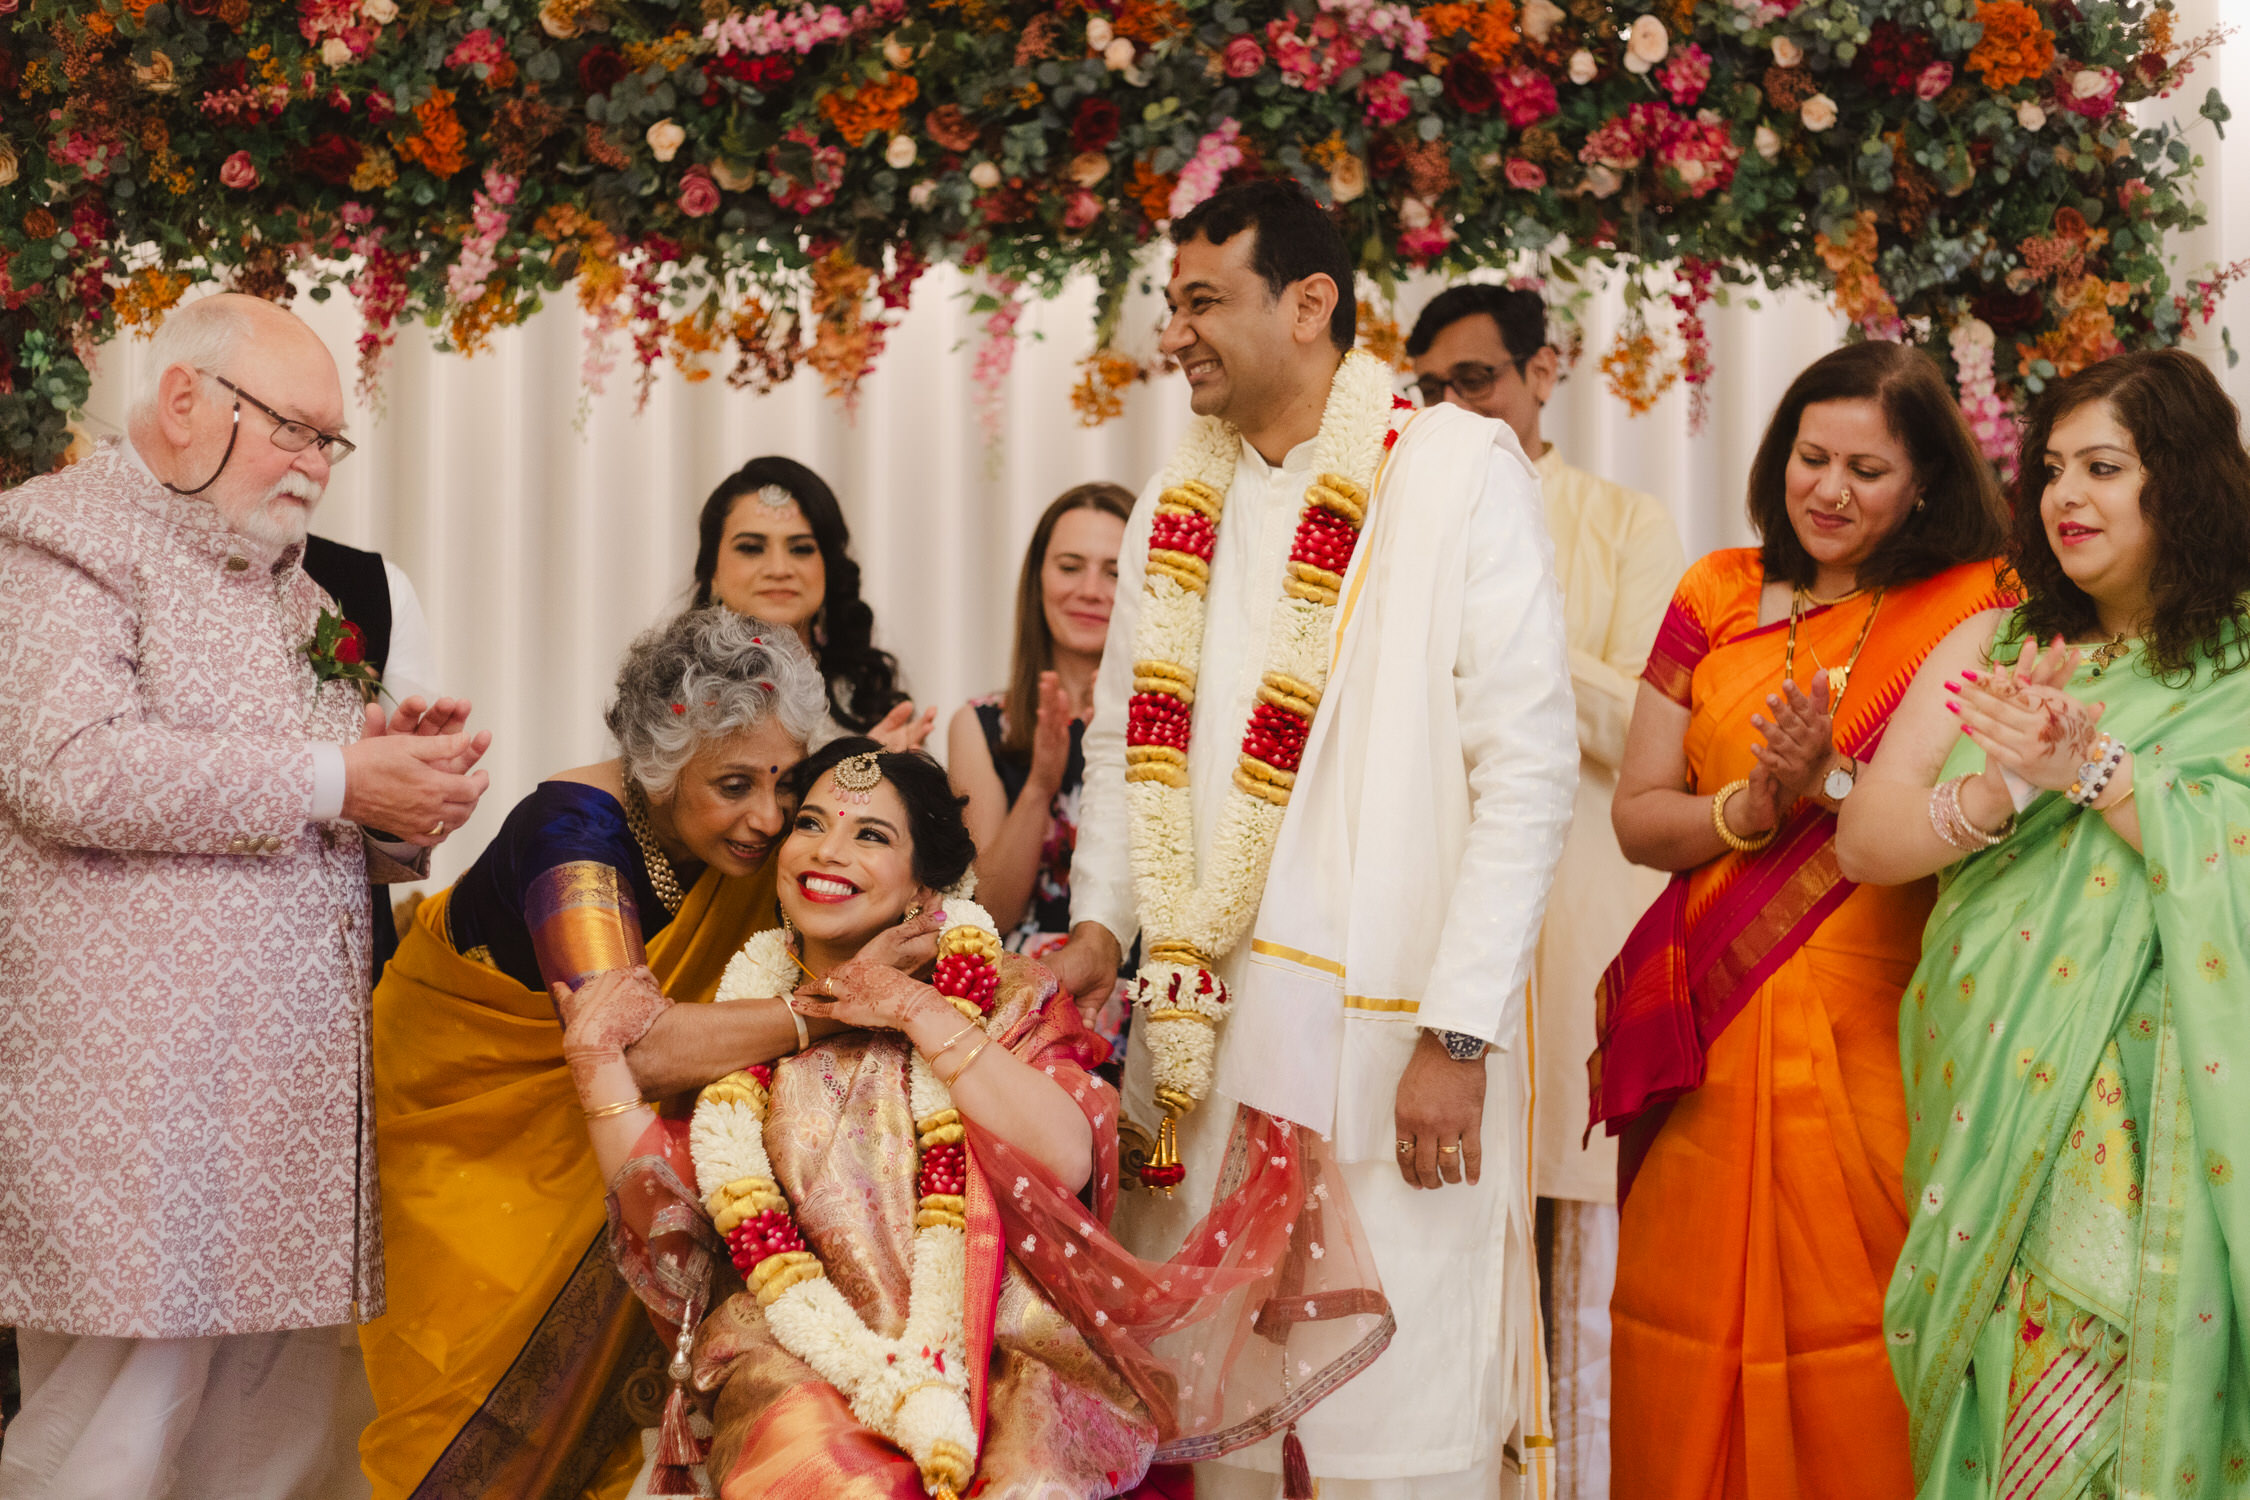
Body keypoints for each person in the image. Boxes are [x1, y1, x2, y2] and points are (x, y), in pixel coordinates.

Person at [1047, 178, 1580, 1497]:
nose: (1176, 333)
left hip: (1392, 1052)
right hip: (1204, 1049)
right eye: (1173, 305)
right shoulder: (1182, 495)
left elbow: (1527, 764)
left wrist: (1456, 1033)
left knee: (1393, 1445)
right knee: (1218, 1441)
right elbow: (1120, 739)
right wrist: (1104, 923)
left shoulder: (1452, 469)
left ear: (1309, 303)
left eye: (1203, 302)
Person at [563, 739, 1389, 1498]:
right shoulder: (746, 1018)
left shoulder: (1001, 997)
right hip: (798, 1358)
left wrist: (916, 1012)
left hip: (1002, 1352)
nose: (827, 850)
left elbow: (1067, 1155)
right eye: (810, 824)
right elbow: (673, 1207)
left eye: (870, 836)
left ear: (926, 887)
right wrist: (600, 1069)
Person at [0, 292, 492, 1500]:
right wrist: (340, 774)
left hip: (287, 1110)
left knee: (274, 1450)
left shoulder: (299, 595)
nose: (317, 466)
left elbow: (311, 819)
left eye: (332, 442)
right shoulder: (55, 540)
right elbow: (67, 770)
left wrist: (397, 795)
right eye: (296, 429)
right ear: (185, 401)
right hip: (145, 1112)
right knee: (113, 1440)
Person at [355, 610, 929, 1499]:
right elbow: (641, 1050)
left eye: (785, 785)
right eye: (733, 785)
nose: (767, 818)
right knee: (481, 1399)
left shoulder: (756, 833)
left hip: (601, 1140)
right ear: (658, 769)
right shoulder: (571, 839)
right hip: (468, 1135)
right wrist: (832, 1007)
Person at [1596, 341, 2013, 1500]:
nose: (1828, 490)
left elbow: (1977, 818)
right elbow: (1637, 816)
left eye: (1866, 470)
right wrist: (1751, 804)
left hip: (1879, 1029)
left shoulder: (1978, 607)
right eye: (1809, 458)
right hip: (1709, 1043)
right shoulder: (1716, 591)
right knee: (1678, 1337)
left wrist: (1834, 782)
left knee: (1864, 1345)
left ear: (1925, 480)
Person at [1834, 349, 2250, 1495]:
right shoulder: (1996, 645)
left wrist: (2099, 770)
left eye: (2105, 468)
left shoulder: (2244, 661)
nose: (2067, 496)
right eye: (2054, 468)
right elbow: (1865, 843)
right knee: (2013, 1383)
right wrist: (2006, 786)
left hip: (2170, 1113)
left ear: (2188, 480)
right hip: (1998, 1083)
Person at [1408, 282, 1684, 1498]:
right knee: (1440, 1271)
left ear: (1542, 373)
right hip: (1429, 952)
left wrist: (1519, 635)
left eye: (1476, 382)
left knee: (1578, 1282)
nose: (1452, 408)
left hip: (1574, 936)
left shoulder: (1624, 523)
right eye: (1430, 388)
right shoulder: (1398, 522)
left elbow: (1648, 726)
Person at [946, 482, 1134, 1051]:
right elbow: (987, 915)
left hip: (1154, 1001)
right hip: (1026, 1007)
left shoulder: (1181, 724)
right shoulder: (980, 725)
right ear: (1038, 580)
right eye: (1070, 566)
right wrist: (1040, 784)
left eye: (1115, 572)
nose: (1090, 591)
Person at [692, 455, 935, 750]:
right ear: (712, 572)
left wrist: (887, 776)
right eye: (751, 548)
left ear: (828, 569)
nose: (779, 569)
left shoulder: (866, 697)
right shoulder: (680, 690)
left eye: (801, 549)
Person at [301, 533, 441, 982]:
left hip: (344, 947)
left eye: (324, 454)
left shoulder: (374, 585)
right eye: (292, 452)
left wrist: (420, 798)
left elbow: (404, 782)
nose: (312, 465)